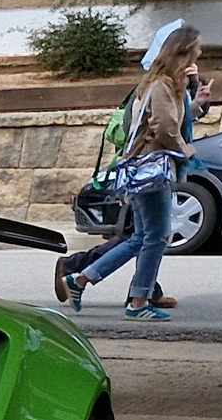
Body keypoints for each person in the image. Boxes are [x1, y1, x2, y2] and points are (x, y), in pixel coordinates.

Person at [54, 23, 204, 321]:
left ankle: (81, 280)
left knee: (141, 237)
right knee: (156, 237)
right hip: (151, 168)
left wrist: (193, 91)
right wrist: (185, 149)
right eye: (197, 48)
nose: (201, 52)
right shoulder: (161, 85)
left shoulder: (162, 84)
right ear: (184, 51)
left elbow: (169, 118)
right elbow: (164, 128)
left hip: (143, 168)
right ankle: (137, 303)